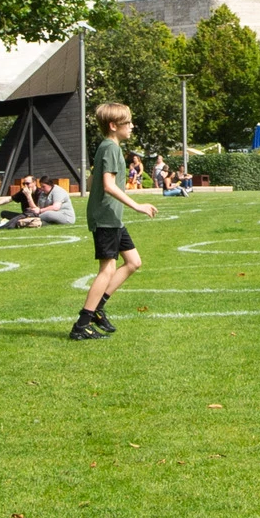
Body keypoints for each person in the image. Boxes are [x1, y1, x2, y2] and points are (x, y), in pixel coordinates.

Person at [71, 102, 159, 340]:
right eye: (127, 123)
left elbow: (92, 181)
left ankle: (98, 307)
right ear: (113, 125)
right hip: (106, 218)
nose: (131, 127)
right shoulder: (110, 148)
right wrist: (137, 205)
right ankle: (82, 323)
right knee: (107, 269)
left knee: (133, 262)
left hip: (112, 217)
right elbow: (108, 185)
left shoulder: (109, 148)